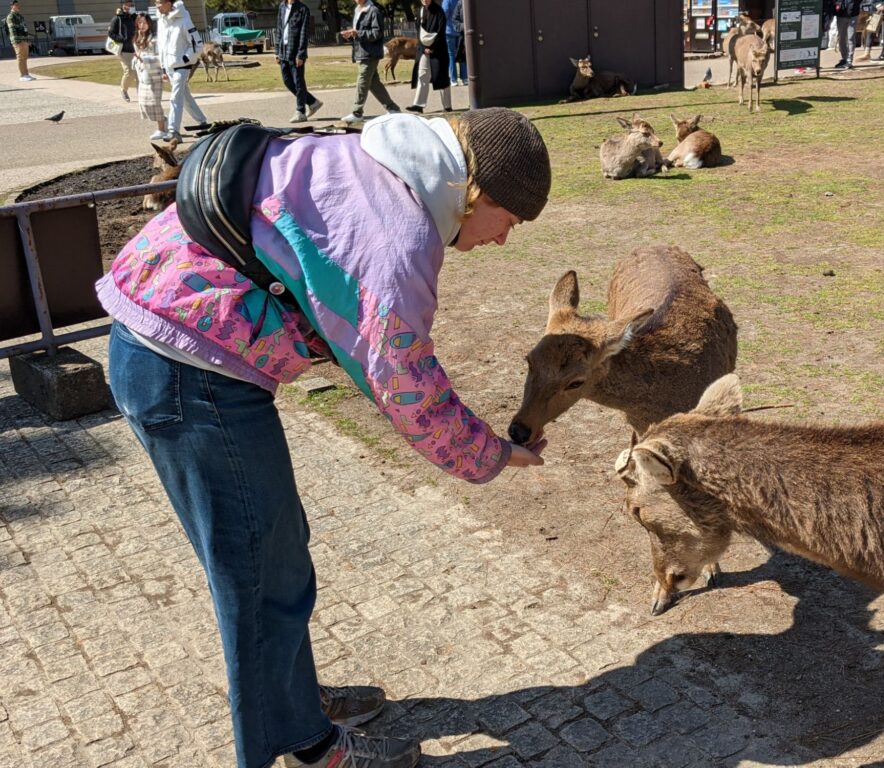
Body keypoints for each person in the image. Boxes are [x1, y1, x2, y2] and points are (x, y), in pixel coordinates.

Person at [96, 106, 551, 768]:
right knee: (260, 579)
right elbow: (409, 390)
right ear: (472, 192)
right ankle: (307, 748)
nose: (503, 239)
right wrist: (495, 453)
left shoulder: (370, 161)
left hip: (166, 345)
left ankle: (292, 704)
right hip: (191, 374)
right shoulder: (397, 239)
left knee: (274, 559)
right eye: (507, 220)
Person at [339, 0, 400, 123]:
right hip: (361, 52)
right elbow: (360, 33)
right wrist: (352, 34)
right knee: (373, 83)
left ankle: (357, 112)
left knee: (362, 81)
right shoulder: (358, 10)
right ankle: (393, 109)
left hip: (370, 54)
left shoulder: (373, 11)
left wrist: (358, 33)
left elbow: (377, 33)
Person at [155, 0, 206, 142]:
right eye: (155, 2)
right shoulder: (161, 22)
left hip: (182, 66)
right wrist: (163, 67)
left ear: (168, 3)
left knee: (175, 97)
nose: (157, 6)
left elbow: (197, 45)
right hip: (169, 67)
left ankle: (173, 131)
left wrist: (185, 59)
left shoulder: (184, 19)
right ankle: (202, 122)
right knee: (184, 96)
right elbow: (161, 46)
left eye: (159, 2)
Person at [277, 0, 324, 123]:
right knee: (287, 81)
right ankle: (313, 102)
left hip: (295, 51)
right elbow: (279, 29)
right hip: (283, 50)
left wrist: (301, 54)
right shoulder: (282, 7)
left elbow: (304, 34)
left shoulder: (303, 9)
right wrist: (277, 51)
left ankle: (300, 111)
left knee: (298, 82)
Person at [406, 0, 451, 114]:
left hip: (438, 49)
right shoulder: (419, 11)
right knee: (422, 75)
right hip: (423, 50)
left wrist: (432, 47)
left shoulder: (439, 12)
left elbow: (441, 32)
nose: (425, 0)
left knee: (441, 76)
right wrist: (423, 48)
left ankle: (447, 106)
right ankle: (418, 104)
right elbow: (418, 32)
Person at [132, 12, 167, 140]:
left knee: (154, 102)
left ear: (149, 24)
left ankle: (161, 128)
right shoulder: (137, 38)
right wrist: (137, 60)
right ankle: (165, 122)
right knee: (143, 102)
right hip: (142, 74)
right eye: (139, 23)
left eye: (144, 23)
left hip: (154, 74)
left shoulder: (154, 39)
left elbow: (160, 57)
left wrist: (145, 59)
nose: (142, 25)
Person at [108, 0, 137, 102]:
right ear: (122, 5)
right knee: (129, 71)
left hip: (136, 49)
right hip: (124, 50)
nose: (128, 6)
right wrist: (122, 39)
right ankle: (123, 90)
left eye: (130, 4)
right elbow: (111, 33)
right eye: (126, 4)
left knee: (139, 73)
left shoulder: (134, 17)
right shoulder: (117, 18)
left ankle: (142, 94)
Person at [6, 0, 33, 82]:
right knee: (20, 57)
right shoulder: (11, 16)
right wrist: (17, 41)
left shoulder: (20, 16)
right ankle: (22, 75)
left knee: (25, 57)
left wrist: (27, 40)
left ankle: (26, 74)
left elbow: (25, 29)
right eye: (16, 5)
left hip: (24, 40)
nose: (18, 6)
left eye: (18, 5)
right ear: (12, 6)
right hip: (17, 40)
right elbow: (12, 30)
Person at [442, 0, 467, 86]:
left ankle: (453, 79)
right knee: (462, 54)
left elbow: (444, 14)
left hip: (449, 30)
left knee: (451, 55)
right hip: (460, 31)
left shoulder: (447, 1)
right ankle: (464, 78)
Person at [834, 0, 860, 68]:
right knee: (841, 38)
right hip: (841, 15)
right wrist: (838, 4)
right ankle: (844, 58)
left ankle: (849, 60)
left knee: (851, 38)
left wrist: (854, 5)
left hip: (853, 15)